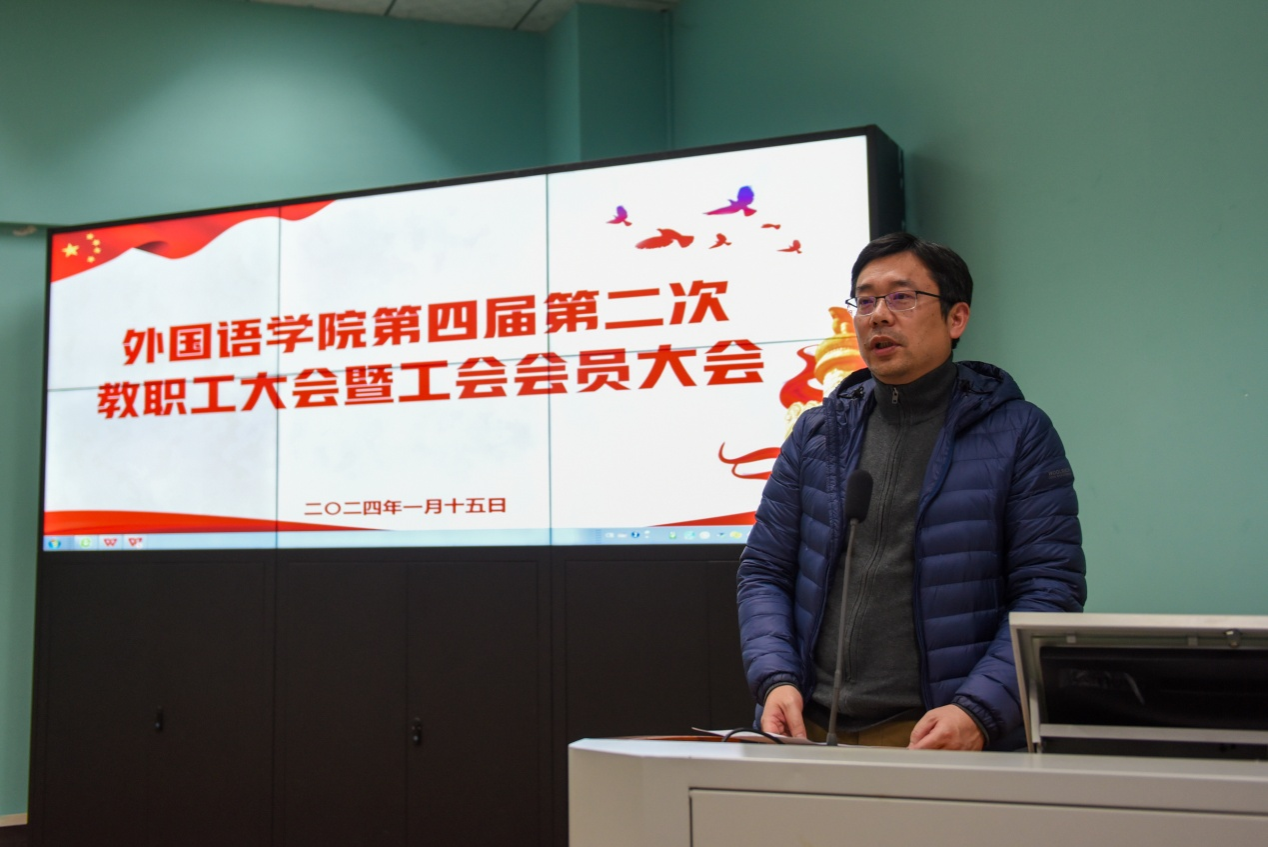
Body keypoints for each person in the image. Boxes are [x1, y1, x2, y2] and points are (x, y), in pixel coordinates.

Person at [737, 232, 1085, 751]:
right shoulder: (817, 433)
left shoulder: (1017, 433)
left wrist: (977, 711)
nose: (879, 315)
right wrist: (775, 678)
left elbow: (1050, 591)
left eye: (902, 297)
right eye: (866, 300)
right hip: (808, 726)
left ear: (956, 318)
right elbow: (765, 571)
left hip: (935, 732)